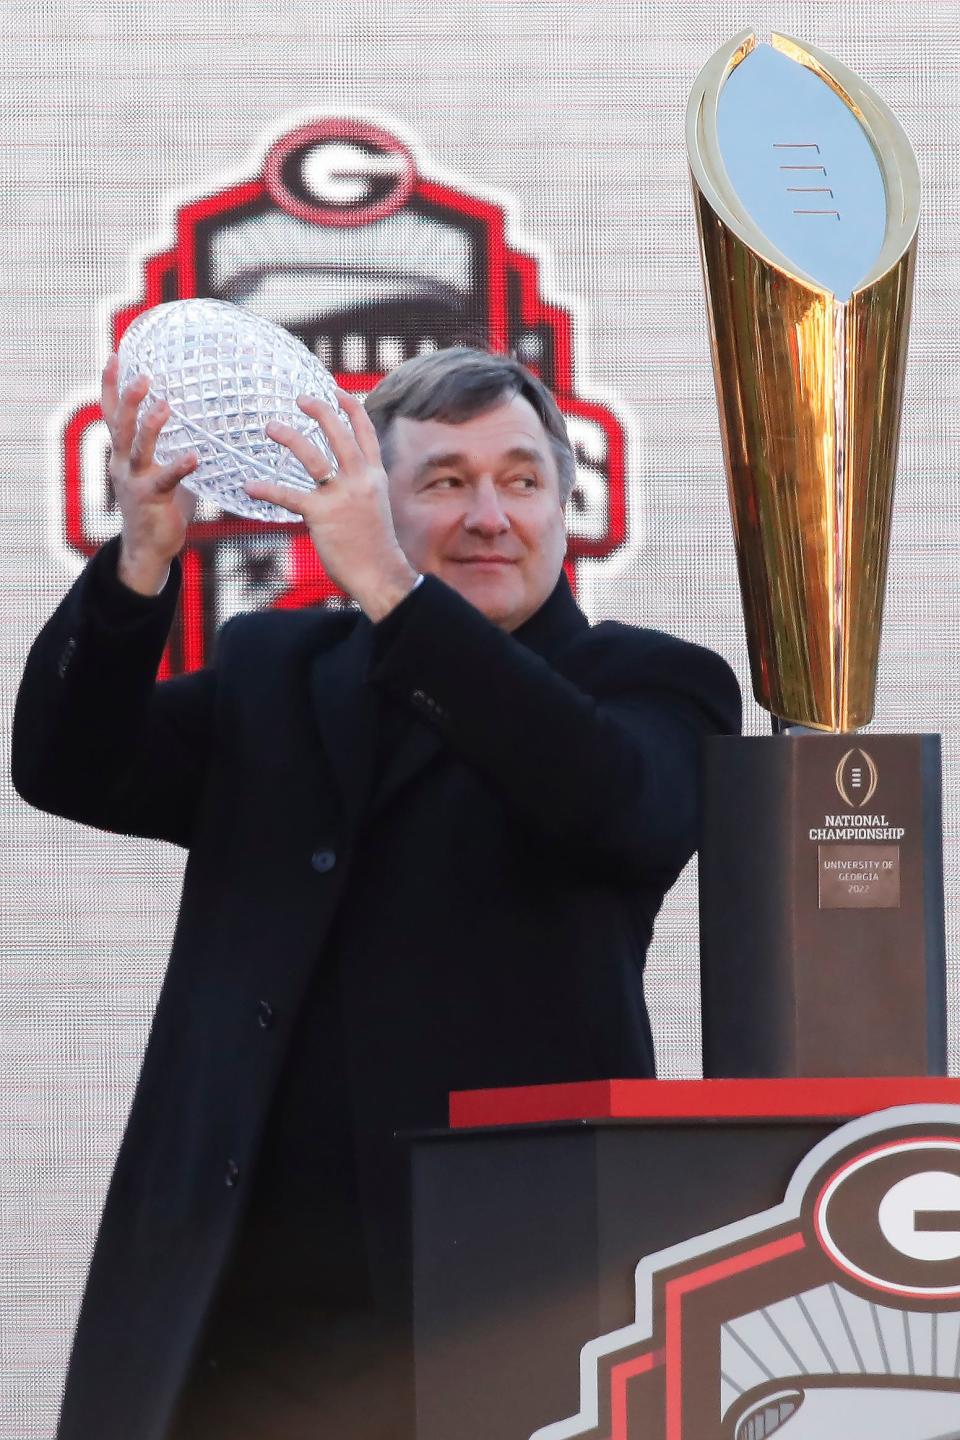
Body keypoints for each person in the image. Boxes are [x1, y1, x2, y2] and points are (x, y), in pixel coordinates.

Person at [12, 345, 741, 1440]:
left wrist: (396, 597)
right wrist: (139, 569)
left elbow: (618, 808)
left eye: (521, 479)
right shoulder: (280, 670)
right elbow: (70, 766)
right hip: (242, 1306)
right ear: (373, 506)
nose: (490, 514)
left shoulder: (652, 683)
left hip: (504, 1302)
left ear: (565, 506)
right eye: (444, 482)